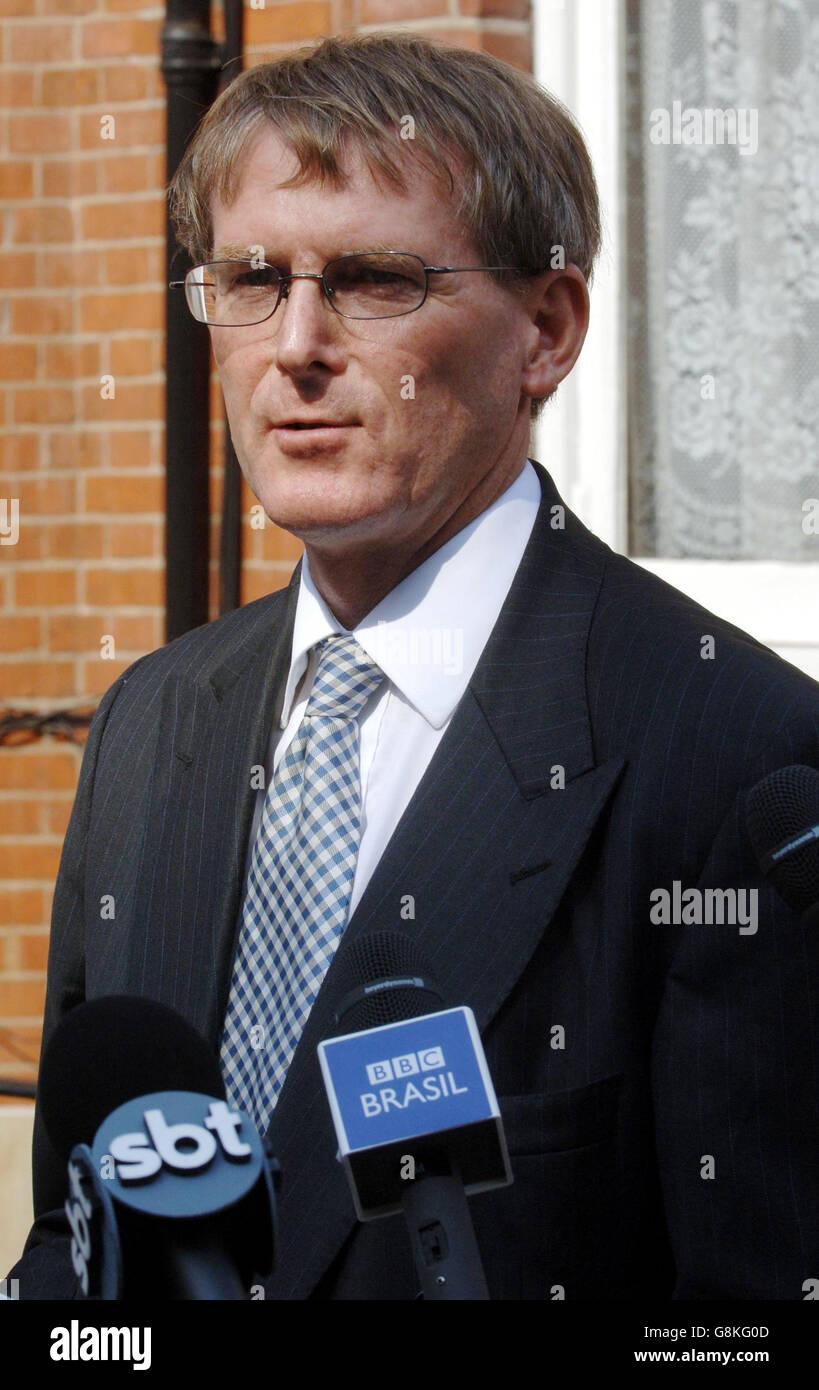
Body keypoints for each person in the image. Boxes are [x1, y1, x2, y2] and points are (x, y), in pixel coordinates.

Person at [11, 32, 819, 1300]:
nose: (297, 345)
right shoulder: (150, 720)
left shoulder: (736, 756)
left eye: (377, 280)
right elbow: (74, 1237)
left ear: (544, 331)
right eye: (253, 278)